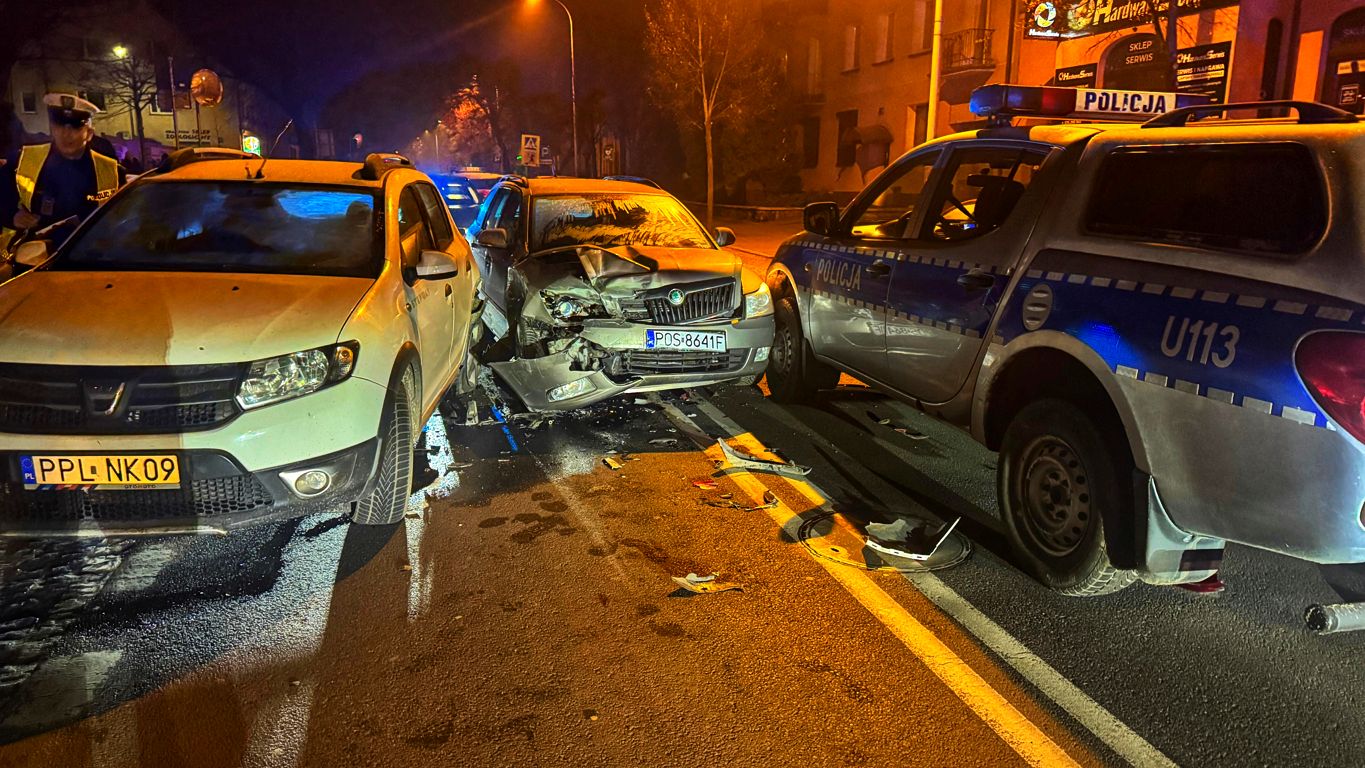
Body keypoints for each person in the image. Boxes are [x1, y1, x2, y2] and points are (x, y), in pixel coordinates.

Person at [0, 93, 125, 251]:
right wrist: (13, 216)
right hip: (33, 255)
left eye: (75, 127)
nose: (66, 134)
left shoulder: (112, 170)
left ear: (89, 133)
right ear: (52, 129)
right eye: (60, 126)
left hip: (91, 255)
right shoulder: (23, 160)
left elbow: (125, 220)